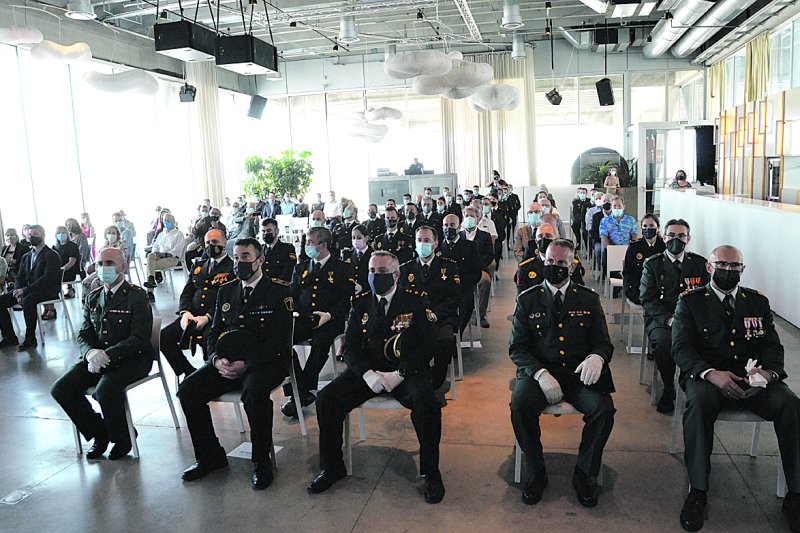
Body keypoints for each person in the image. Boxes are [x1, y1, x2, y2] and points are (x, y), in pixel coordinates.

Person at [672, 245, 800, 533]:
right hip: (709, 380)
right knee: (698, 404)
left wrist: (767, 374)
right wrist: (710, 374)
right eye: (723, 264)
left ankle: (796, 495)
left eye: (735, 267)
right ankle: (698, 492)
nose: (728, 271)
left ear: (742, 270)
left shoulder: (756, 303)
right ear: (709, 266)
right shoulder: (690, 302)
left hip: (752, 382)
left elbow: (772, 346)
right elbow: (681, 349)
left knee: (790, 403)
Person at [308, 251, 445, 504]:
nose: (375, 277)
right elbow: (350, 348)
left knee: (427, 405)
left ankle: (431, 472)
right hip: (368, 373)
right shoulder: (360, 303)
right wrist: (366, 373)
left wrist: (400, 373)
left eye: (381, 272)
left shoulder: (414, 301)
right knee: (327, 399)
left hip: (404, 373)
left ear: (396, 274)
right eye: (372, 271)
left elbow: (428, 345)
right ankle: (332, 466)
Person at [177, 238, 293, 489]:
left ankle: (261, 462)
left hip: (265, 361)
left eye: (246, 257)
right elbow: (214, 331)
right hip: (227, 361)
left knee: (254, 394)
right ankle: (210, 456)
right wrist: (216, 359)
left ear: (260, 260)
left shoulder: (279, 291)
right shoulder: (226, 291)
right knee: (188, 390)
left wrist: (247, 364)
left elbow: (279, 340)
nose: (240, 262)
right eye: (237, 257)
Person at [510, 239, 615, 508]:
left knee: (602, 409)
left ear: (572, 265)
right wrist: (540, 373)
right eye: (549, 262)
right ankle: (536, 471)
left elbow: (603, 342)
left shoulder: (588, 299)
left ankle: (584, 473)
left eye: (561, 263)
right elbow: (517, 348)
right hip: (539, 374)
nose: (554, 267)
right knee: (519, 405)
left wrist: (597, 357)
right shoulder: (527, 299)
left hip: (578, 375)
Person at [50, 247, 153, 460]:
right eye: (100, 264)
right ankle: (100, 433)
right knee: (61, 389)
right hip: (97, 358)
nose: (103, 268)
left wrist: (108, 354)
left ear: (123, 267)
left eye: (109, 263)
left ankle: (123, 437)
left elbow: (139, 338)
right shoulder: (94, 297)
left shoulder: (137, 296)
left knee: (104, 390)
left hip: (132, 358)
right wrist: (89, 354)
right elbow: (84, 334)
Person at [640, 219, 709, 414]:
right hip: (662, 319)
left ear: (688, 239)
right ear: (664, 236)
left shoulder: (699, 264)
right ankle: (669, 387)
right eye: (671, 235)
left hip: (692, 320)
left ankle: (696, 384)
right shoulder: (652, 265)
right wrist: (670, 320)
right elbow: (648, 299)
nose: (675, 240)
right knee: (664, 343)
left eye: (680, 236)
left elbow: (706, 297)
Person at [285, 226, 355, 417]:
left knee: (320, 342)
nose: (306, 246)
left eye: (310, 242)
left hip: (331, 320)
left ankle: (303, 392)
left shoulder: (341, 268)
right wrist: (297, 314)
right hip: (304, 319)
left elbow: (346, 300)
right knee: (283, 341)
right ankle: (298, 389)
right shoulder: (301, 267)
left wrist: (329, 315)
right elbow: (292, 296)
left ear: (323, 245)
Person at [159, 229, 234, 377]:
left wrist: (207, 317)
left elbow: (230, 299)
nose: (211, 245)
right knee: (164, 337)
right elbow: (187, 292)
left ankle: (209, 379)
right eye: (208, 243)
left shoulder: (232, 267)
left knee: (210, 341)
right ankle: (188, 372)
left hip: (215, 318)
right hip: (192, 316)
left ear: (224, 242)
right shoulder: (199, 265)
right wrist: (185, 313)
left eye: (215, 242)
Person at [400, 227, 460, 390]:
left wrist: (435, 313)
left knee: (445, 342)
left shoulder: (448, 267)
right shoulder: (406, 269)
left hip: (441, 317)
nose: (422, 244)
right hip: (414, 318)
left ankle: (437, 382)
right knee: (405, 342)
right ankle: (418, 378)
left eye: (427, 240)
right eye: (419, 240)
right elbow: (402, 299)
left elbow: (453, 297)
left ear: (436, 243)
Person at [0, 225, 61, 350]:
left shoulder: (51, 255)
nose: (31, 237)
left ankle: (30, 338)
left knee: (28, 301)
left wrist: (25, 291)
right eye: (30, 234)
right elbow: (19, 277)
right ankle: (9, 337)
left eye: (35, 234)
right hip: (28, 290)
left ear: (43, 235)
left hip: (48, 290)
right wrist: (18, 290)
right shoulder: (26, 256)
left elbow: (47, 279)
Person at [438, 214, 481, 335]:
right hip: (442, 290)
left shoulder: (470, 246)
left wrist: (461, 285)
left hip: (463, 288)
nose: (448, 228)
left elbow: (476, 272)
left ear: (458, 227)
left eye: (452, 225)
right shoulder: (438, 249)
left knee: (467, 305)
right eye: (446, 225)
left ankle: (457, 333)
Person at [515, 224, 585, 293]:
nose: (544, 239)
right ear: (536, 241)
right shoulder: (526, 267)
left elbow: (579, 292)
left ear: (556, 239)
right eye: (540, 236)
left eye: (548, 236)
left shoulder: (569, 264)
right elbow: (522, 298)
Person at [622, 214, 665, 305]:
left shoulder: (664, 246)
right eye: (645, 226)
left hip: (660, 290)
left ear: (657, 228)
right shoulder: (634, 247)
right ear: (641, 228)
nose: (648, 229)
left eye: (651, 226)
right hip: (639, 289)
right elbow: (627, 272)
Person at [143, 213, 186, 302]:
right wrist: (156, 252)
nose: (166, 222)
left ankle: (150, 291)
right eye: (165, 220)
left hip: (171, 258)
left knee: (150, 265)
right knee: (150, 255)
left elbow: (177, 249)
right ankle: (151, 280)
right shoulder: (161, 234)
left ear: (174, 222)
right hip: (159, 257)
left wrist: (165, 254)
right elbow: (155, 246)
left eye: (169, 220)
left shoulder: (179, 234)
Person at [463, 206, 494, 328]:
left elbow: (489, 255)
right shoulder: (458, 235)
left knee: (485, 281)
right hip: (461, 271)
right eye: (467, 216)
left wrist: (477, 265)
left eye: (472, 216)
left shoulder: (485, 236)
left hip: (479, 269)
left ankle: (480, 315)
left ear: (477, 218)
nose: (469, 218)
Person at [43, 226, 80, 320]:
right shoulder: (54, 247)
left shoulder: (72, 246)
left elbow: (71, 262)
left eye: (63, 232)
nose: (61, 234)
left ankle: (51, 308)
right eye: (59, 232)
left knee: (49, 281)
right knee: (44, 280)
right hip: (57, 272)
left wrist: (60, 270)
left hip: (68, 272)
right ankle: (47, 307)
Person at [82, 226, 129, 296]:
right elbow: (99, 261)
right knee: (85, 282)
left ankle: (99, 302)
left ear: (117, 235)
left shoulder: (122, 246)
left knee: (95, 283)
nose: (111, 235)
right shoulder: (104, 246)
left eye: (113, 233)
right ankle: (88, 303)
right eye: (109, 233)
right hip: (101, 271)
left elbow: (123, 261)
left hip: (115, 272)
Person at [260, 218, 296, 283]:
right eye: (263, 231)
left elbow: (288, 272)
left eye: (269, 231)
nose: (265, 233)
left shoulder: (287, 249)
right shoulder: (259, 250)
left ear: (277, 231)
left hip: (279, 288)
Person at [342, 224, 372, 294]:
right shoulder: (347, 254)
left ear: (366, 238)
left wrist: (363, 287)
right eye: (353, 237)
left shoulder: (373, 255)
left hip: (367, 294)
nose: (355, 240)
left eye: (359, 238)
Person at [570, 187, 592, 252]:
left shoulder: (589, 201)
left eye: (584, 193)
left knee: (585, 232)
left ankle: (588, 248)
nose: (582, 194)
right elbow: (575, 213)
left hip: (587, 220)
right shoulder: (575, 202)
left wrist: (585, 219)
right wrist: (581, 219)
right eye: (581, 193)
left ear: (586, 193)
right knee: (574, 226)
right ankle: (579, 241)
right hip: (579, 219)